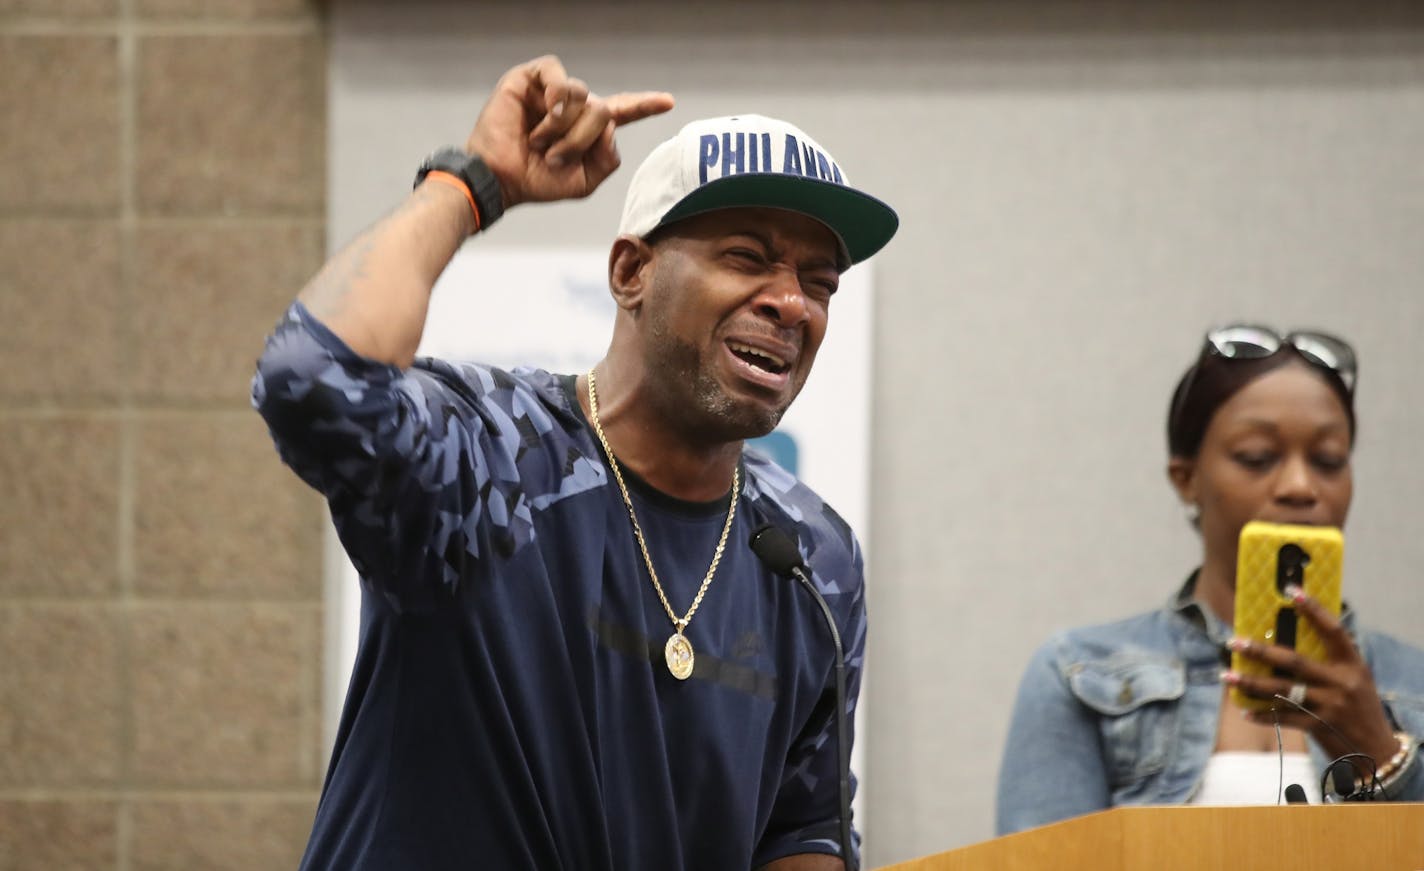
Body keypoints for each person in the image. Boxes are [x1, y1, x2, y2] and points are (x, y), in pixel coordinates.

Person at [252, 55, 898, 870]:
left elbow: (802, 830)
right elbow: (311, 377)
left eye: (820, 281)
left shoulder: (812, 557)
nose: (792, 302)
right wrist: (472, 184)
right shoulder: (488, 455)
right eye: (745, 256)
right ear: (631, 272)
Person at [996, 325, 1424, 834]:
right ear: (1186, 478)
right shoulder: (1080, 671)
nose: (1300, 486)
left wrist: (1382, 754)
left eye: (1328, 461)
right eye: (1257, 458)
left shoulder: (1412, 685)